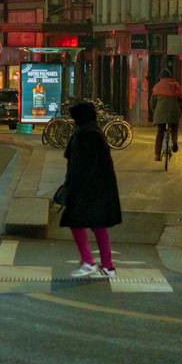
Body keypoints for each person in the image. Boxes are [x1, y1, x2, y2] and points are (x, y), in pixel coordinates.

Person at [59, 101, 122, 278]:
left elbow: (78, 165)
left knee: (76, 222)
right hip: (100, 188)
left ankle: (88, 261)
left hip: (85, 188)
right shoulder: (94, 133)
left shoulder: (84, 135)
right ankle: (107, 265)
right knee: (97, 225)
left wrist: (70, 186)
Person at [150, 72, 182, 161]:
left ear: (161, 78)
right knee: (174, 128)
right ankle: (174, 142)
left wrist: (154, 110)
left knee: (160, 133)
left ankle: (157, 155)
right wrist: (181, 111)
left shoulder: (157, 86)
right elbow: (181, 100)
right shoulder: (175, 86)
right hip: (173, 113)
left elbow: (152, 103)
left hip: (160, 114)